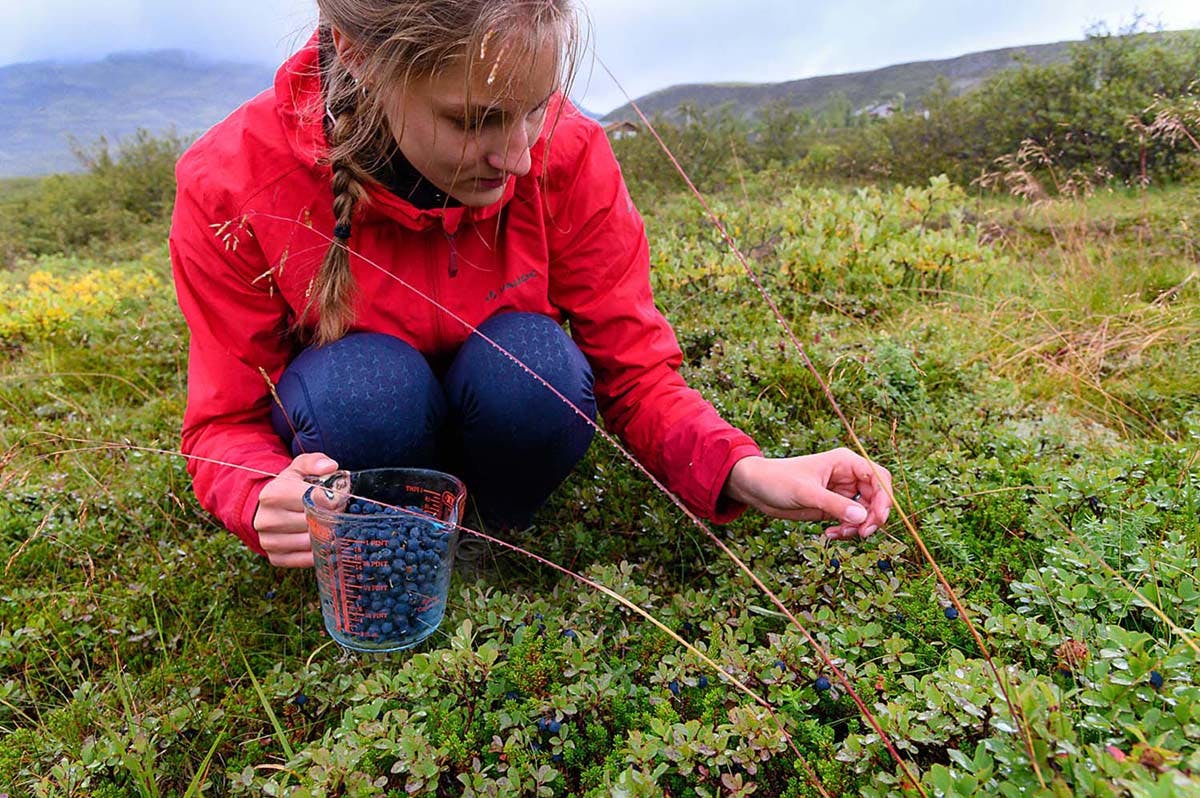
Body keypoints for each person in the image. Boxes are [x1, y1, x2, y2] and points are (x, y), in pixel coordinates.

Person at [169, 0, 892, 569]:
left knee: (535, 367)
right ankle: (394, 527)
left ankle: (498, 528)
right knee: (362, 387)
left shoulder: (568, 152)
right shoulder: (233, 181)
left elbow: (635, 373)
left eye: (538, 105)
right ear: (359, 58)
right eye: (477, 119)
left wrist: (744, 469)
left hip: (504, 423)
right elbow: (221, 424)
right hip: (361, 446)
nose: (519, 155)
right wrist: (262, 494)